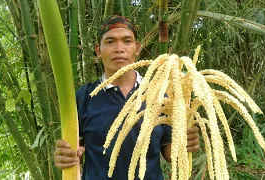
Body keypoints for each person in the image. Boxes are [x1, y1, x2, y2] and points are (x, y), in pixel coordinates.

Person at [54, 16, 200, 180]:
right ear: (98, 50)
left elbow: (167, 148)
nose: (119, 48)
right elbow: (74, 151)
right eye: (110, 42)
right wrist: (65, 157)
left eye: (127, 41)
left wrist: (183, 145)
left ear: (137, 47)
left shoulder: (160, 94)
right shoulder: (83, 97)